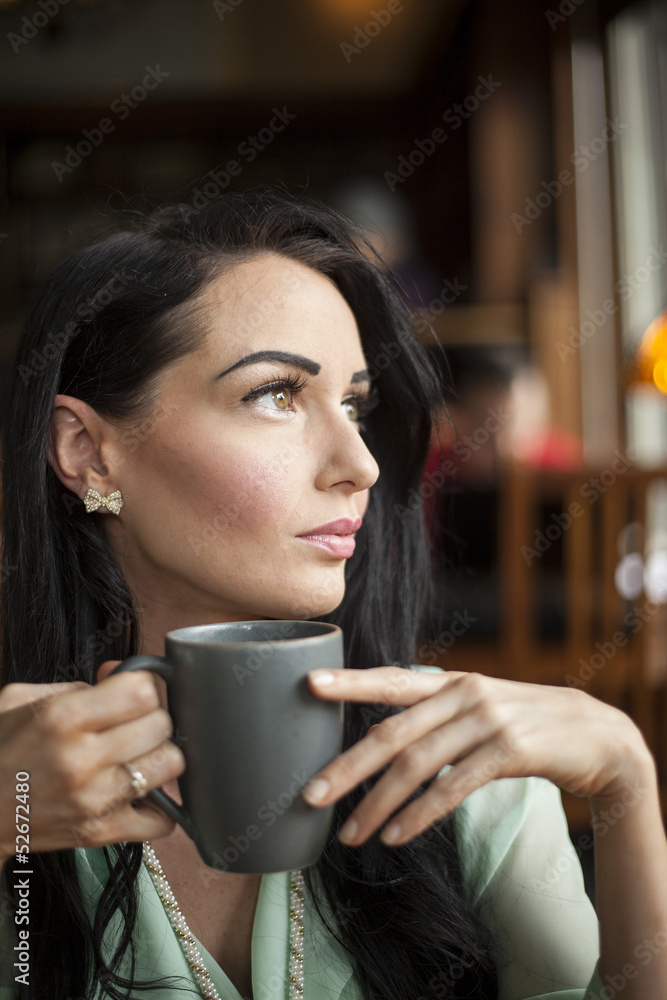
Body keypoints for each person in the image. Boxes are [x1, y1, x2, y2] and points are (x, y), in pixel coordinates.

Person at [0, 190, 664, 1000]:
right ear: (89, 454)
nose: (361, 463)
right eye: (276, 393)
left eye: (353, 403)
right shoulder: (18, 782)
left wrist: (626, 779)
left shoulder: (462, 762)